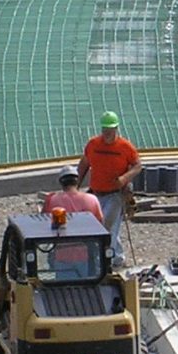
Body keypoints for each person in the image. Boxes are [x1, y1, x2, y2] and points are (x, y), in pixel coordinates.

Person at [77, 111, 142, 263]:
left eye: (110, 129)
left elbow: (137, 166)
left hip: (115, 194)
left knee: (106, 224)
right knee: (105, 226)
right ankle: (117, 257)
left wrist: (124, 178)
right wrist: (76, 186)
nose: (107, 133)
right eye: (105, 129)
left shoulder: (125, 147)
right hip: (96, 194)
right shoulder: (93, 144)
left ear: (116, 128)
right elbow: (84, 164)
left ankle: (105, 260)